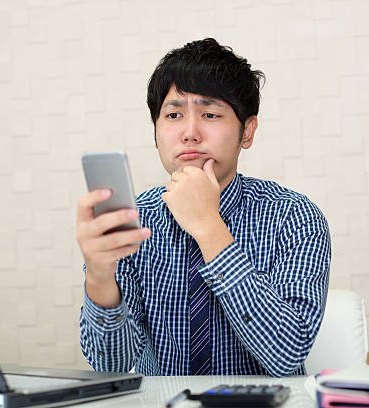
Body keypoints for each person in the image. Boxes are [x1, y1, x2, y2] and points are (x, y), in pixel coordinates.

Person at [76, 38, 331, 377]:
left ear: (247, 131)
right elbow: (111, 365)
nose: (190, 132)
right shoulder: (132, 219)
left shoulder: (295, 217)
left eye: (210, 114)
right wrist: (99, 277)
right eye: (173, 114)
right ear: (156, 133)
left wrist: (209, 227)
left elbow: (285, 355)